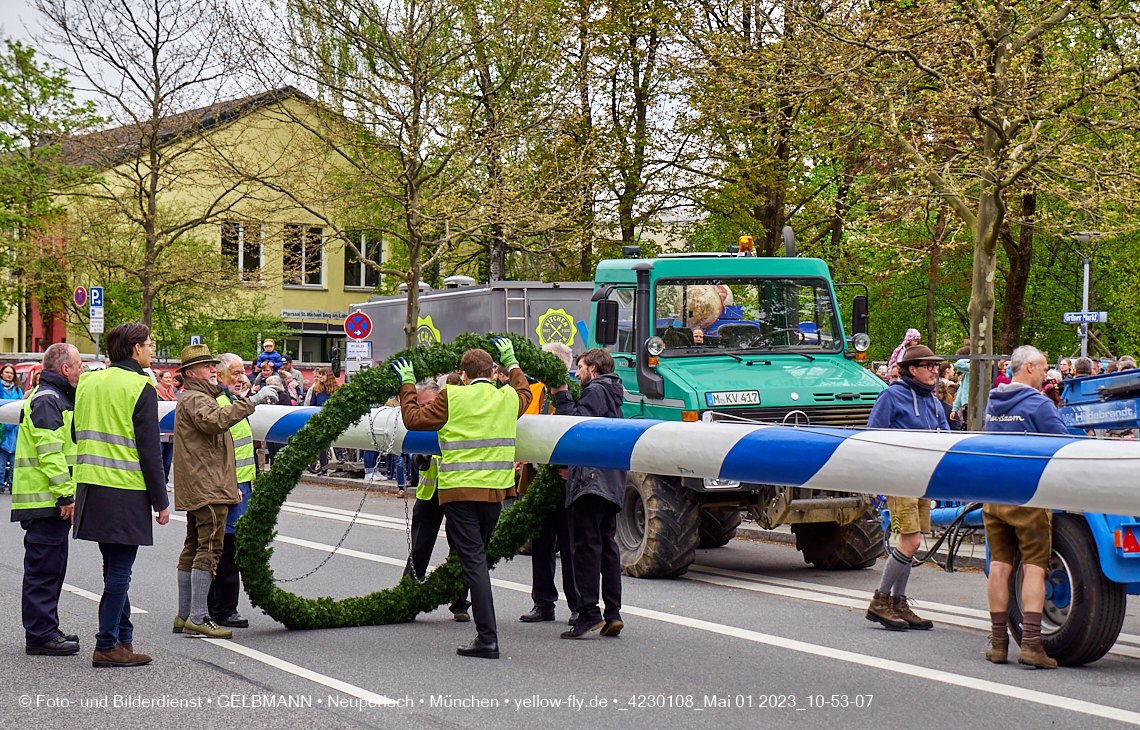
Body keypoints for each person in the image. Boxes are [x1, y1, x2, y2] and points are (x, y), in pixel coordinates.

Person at [396, 338, 533, 659]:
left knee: (474, 565)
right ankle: (479, 627)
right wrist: (513, 364)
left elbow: (413, 420)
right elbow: (526, 392)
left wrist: (406, 385)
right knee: (477, 561)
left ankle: (488, 638)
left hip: (459, 493)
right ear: (493, 370)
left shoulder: (453, 395)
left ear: (464, 374)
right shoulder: (507, 397)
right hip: (495, 494)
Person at [73, 323, 170, 668]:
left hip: (90, 486)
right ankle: (106, 644)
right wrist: (161, 501)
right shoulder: (140, 385)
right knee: (119, 572)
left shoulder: (88, 380)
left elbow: (76, 430)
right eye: (148, 344)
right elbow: (150, 449)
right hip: (125, 489)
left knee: (113, 567)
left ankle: (123, 640)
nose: (151, 349)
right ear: (134, 350)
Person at [173, 344, 277, 639]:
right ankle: (198, 617)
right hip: (210, 486)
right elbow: (215, 422)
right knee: (209, 549)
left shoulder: (194, 396)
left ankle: (184, 616)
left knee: (193, 546)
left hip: (203, 484)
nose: (212, 370)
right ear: (192, 372)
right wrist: (251, 401)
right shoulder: (198, 398)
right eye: (207, 366)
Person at [982, 345, 1066, 669]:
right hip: (1027, 495)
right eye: (1044, 368)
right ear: (1029, 366)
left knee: (1000, 566)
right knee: (1034, 566)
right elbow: (1063, 446)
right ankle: (1031, 644)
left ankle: (998, 645)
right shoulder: (1038, 404)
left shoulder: (994, 401)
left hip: (993, 495)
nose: (1047, 374)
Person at [864, 344, 948, 631]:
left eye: (936, 366)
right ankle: (880, 600)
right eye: (929, 366)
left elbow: (944, 436)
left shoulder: (933, 400)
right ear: (912, 369)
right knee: (910, 542)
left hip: (922, 479)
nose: (935, 370)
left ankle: (898, 603)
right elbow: (873, 436)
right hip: (898, 479)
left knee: (910, 544)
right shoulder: (892, 395)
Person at [12, 344, 83, 656]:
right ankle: (41, 635)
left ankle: (47, 629)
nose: (82, 371)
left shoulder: (52, 397)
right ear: (65, 369)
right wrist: (65, 494)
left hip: (48, 501)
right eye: (79, 365)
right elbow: (50, 452)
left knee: (51, 568)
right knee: (44, 571)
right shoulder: (48, 399)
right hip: (46, 501)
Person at [552, 348, 626, 639]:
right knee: (607, 546)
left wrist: (561, 394)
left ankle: (588, 613)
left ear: (593, 368)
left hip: (591, 481)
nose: (576, 373)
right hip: (610, 478)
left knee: (585, 546)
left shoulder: (595, 390)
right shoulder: (613, 392)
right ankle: (613, 613)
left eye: (580, 367)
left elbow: (576, 425)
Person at [207, 353, 271, 628]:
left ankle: (215, 606)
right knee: (227, 549)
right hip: (231, 489)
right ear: (219, 376)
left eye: (243, 371)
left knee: (225, 548)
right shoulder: (222, 406)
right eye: (235, 372)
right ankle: (223, 609)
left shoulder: (231, 402)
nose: (242, 377)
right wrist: (232, 484)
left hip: (240, 486)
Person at [519, 343, 580, 626]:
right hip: (536, 477)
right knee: (540, 544)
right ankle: (542, 602)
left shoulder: (574, 394)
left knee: (570, 546)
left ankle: (578, 605)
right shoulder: (534, 392)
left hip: (564, 480)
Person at [402, 379, 470, 621]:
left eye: (429, 403)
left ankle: (460, 602)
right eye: (421, 406)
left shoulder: (455, 417)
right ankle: (407, 597)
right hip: (430, 491)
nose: (426, 409)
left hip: (455, 489)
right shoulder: (423, 422)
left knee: (460, 548)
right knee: (419, 547)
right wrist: (417, 460)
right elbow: (415, 458)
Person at [0, 363, 24, 494]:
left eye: (11, 373)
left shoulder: (18, 390)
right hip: (2, 429)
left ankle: (12, 485)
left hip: (15, 429)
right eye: (7, 372)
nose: (9, 375)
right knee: (1, 464)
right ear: (2, 374)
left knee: (14, 463)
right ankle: (0, 485)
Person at [155, 370, 179, 486]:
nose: (169, 380)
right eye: (166, 378)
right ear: (160, 379)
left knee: (168, 460)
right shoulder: (155, 391)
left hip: (172, 432)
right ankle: (157, 483)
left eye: (170, 377)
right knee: (158, 459)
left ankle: (165, 482)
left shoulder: (175, 392)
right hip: (159, 432)